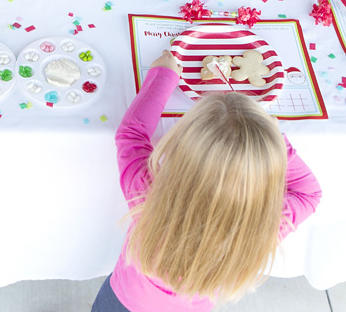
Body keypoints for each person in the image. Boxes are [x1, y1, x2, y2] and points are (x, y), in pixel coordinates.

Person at [92, 51, 321, 312]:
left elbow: (131, 133)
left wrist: (163, 76)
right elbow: (309, 193)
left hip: (122, 301)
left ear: (180, 150)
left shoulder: (148, 193)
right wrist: (276, 142)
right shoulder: (258, 229)